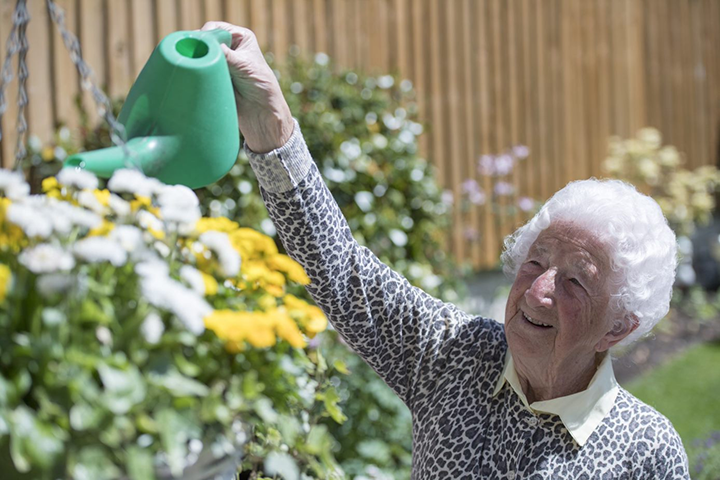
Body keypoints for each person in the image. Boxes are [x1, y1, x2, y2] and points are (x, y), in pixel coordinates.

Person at [201, 21, 690, 479]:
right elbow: (340, 272)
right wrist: (271, 126)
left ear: (619, 325)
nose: (538, 291)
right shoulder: (455, 355)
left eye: (575, 281)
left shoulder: (645, 451)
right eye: (535, 261)